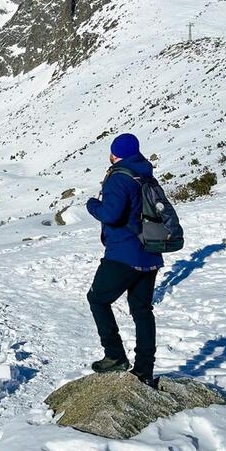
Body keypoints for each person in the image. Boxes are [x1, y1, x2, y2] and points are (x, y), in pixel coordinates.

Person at [85, 133, 163, 388]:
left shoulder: (119, 177)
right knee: (142, 311)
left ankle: (115, 355)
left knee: (97, 299)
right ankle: (144, 370)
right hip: (150, 253)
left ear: (115, 153)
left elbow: (111, 215)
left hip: (123, 254)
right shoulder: (145, 174)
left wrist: (92, 205)